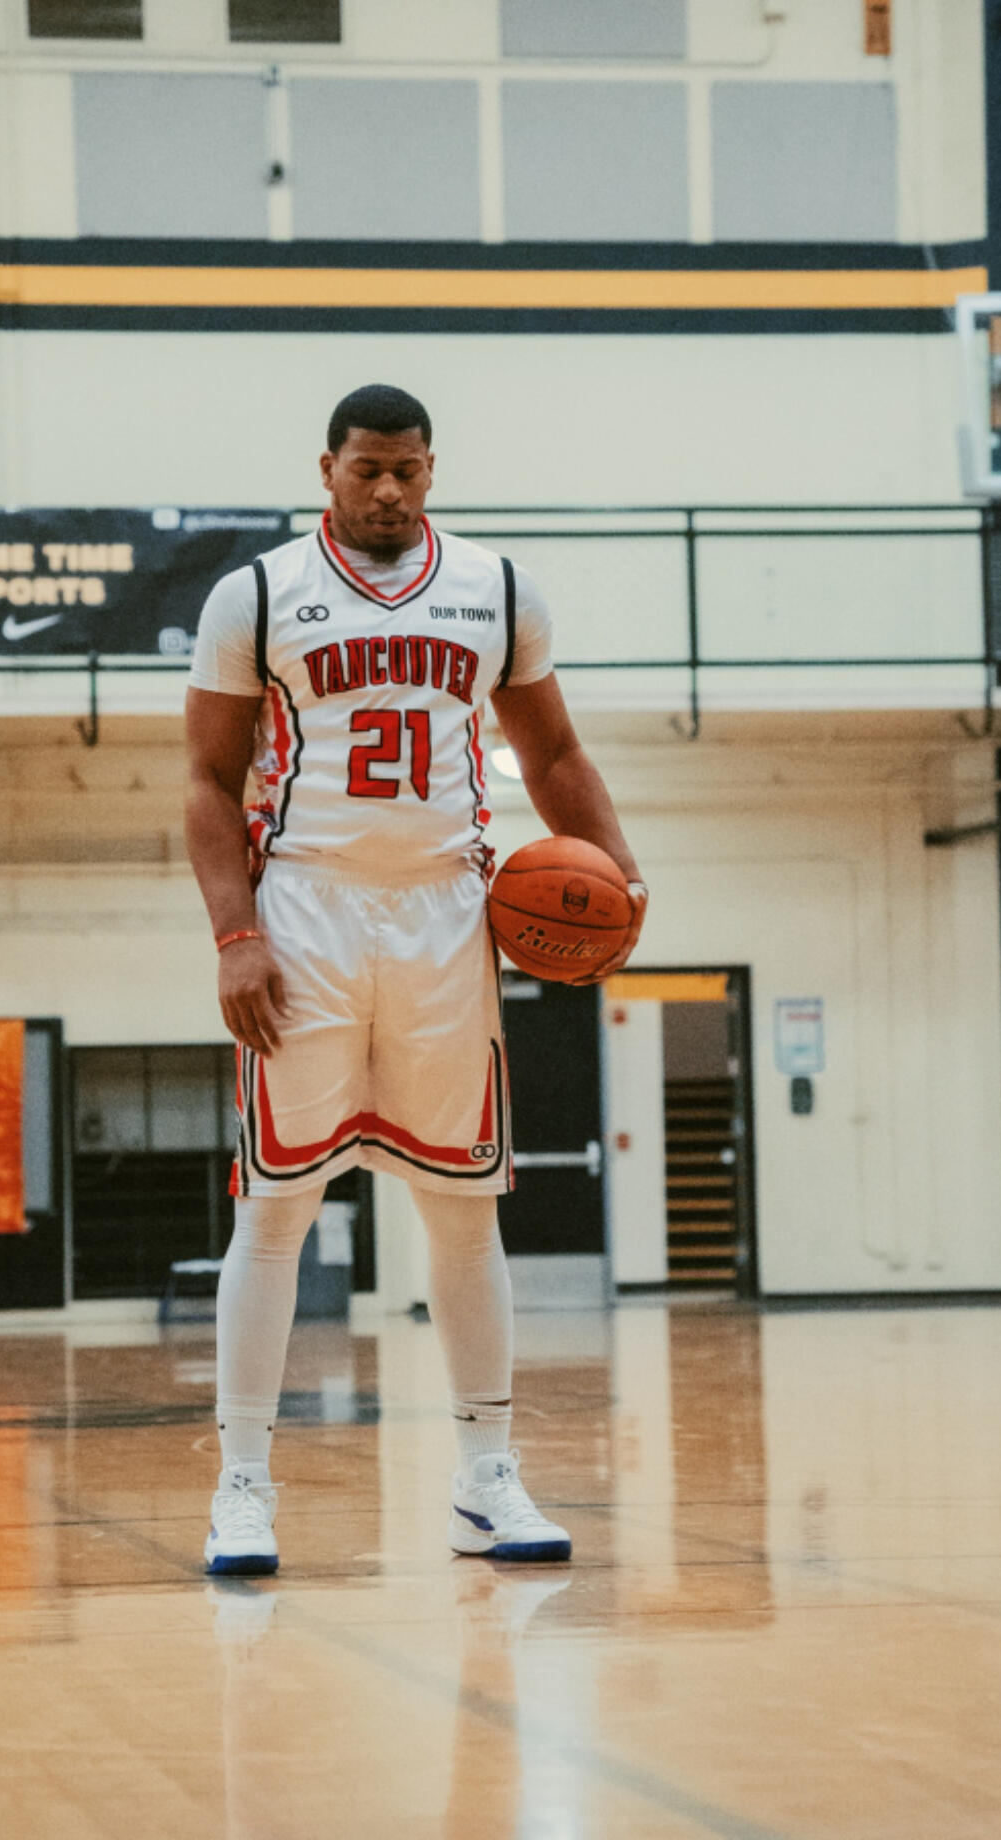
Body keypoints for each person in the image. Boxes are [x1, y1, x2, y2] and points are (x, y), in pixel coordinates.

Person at [185, 383, 646, 1576]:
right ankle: (242, 1483)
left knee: (460, 1205)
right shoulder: (255, 593)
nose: (385, 489)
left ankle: (485, 1477)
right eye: (365, 469)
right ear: (325, 469)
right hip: (305, 908)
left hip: (448, 913)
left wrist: (623, 877)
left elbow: (550, 753)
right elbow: (204, 778)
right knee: (277, 1205)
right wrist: (236, 932)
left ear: (430, 470)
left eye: (406, 470)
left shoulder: (494, 589)